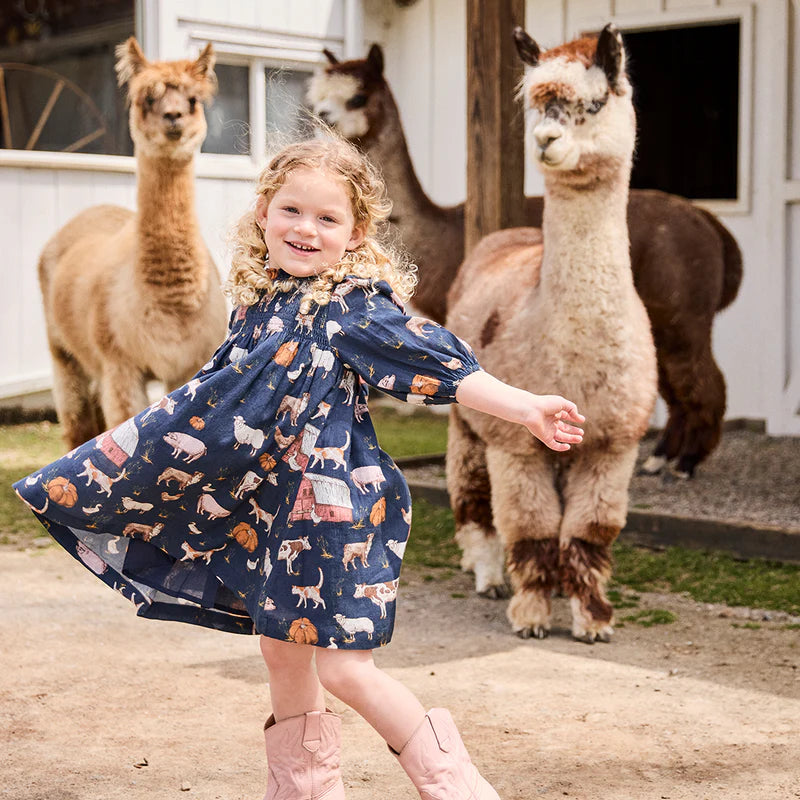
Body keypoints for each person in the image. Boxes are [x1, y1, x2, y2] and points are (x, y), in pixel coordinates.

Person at [14, 136, 584, 800]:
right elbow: (213, 402)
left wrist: (529, 407)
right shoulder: (255, 305)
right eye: (292, 210)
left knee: (345, 669)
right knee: (280, 653)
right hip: (273, 517)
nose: (306, 229)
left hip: (338, 516)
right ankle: (307, 791)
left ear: (356, 233)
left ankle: (459, 788)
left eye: (327, 218)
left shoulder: (352, 307)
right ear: (263, 212)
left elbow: (445, 370)